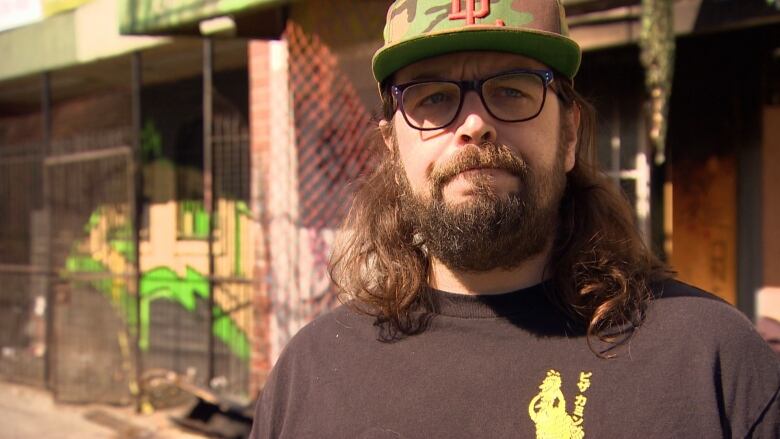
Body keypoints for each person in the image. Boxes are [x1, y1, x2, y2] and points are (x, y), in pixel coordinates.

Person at [251, 1, 780, 437]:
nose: (475, 124)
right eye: (433, 99)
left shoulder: (713, 363)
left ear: (569, 135)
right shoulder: (311, 377)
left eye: (512, 89)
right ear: (392, 148)